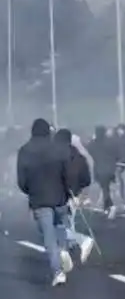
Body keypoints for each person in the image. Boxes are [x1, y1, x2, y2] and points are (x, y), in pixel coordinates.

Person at [16, 119, 74, 286]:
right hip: (60, 196)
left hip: (39, 199)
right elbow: (67, 172)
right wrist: (68, 190)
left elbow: (22, 180)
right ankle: (63, 249)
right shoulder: (58, 148)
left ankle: (57, 271)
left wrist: (30, 191)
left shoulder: (25, 150)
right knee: (61, 226)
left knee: (48, 236)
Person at [54, 129, 95, 267]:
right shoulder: (79, 156)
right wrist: (79, 191)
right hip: (74, 193)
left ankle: (79, 242)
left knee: (57, 225)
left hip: (60, 193)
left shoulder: (56, 155)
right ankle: (70, 248)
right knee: (68, 221)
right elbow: (87, 179)